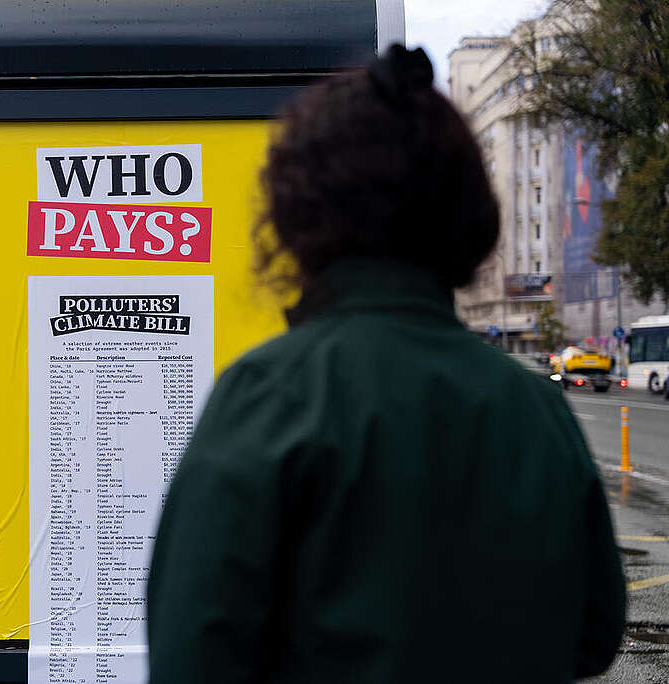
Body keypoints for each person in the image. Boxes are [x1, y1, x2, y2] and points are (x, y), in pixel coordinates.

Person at [147, 46, 625, 683]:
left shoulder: (269, 395)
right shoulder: (537, 409)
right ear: (466, 214)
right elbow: (595, 634)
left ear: (299, 210)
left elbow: (191, 653)